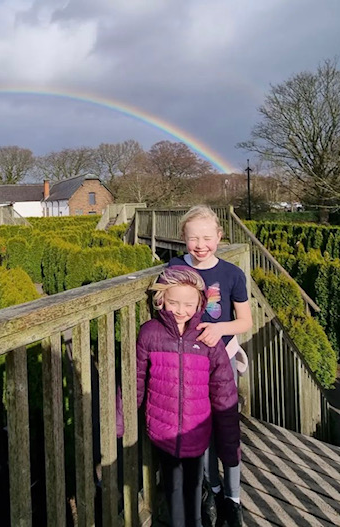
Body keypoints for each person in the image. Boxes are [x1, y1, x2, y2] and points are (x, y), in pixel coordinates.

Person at [136, 265, 241, 527]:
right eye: (173, 303)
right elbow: (135, 378)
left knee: (194, 487)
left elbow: (224, 391)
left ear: (200, 304)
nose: (180, 310)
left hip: (197, 431)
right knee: (172, 489)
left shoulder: (208, 340)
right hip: (163, 431)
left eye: (188, 304)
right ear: (161, 300)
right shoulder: (150, 333)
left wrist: (229, 446)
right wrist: (119, 421)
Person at [169, 206, 252, 527]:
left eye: (207, 237)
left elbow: (244, 321)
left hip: (223, 360)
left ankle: (232, 497)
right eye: (193, 238)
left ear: (219, 236)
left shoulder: (232, 274)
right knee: (199, 427)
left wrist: (220, 328)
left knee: (227, 427)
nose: (200, 244)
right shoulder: (175, 268)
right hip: (189, 363)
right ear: (183, 240)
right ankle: (212, 487)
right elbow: (166, 307)